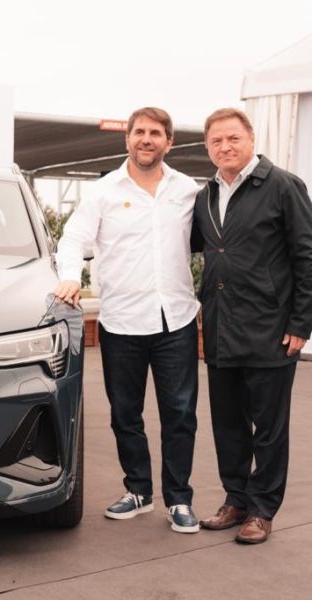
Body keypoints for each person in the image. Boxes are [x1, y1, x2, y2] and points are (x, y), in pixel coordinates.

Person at [53, 107, 202, 533]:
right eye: (139, 132)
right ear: (128, 139)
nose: (146, 139)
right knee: (125, 414)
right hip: (121, 322)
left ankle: (179, 499)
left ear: (169, 142)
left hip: (176, 320)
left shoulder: (187, 190)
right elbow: (73, 239)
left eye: (155, 133)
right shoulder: (103, 191)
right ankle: (138, 491)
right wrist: (70, 277)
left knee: (180, 415)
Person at [192, 108, 312, 544]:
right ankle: (236, 499)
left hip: (271, 329)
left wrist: (301, 322)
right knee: (228, 424)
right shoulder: (206, 194)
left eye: (233, 139)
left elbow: (306, 256)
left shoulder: (282, 185)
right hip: (221, 327)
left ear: (251, 139)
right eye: (216, 141)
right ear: (208, 147)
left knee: (270, 429)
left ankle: (262, 510)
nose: (225, 147)